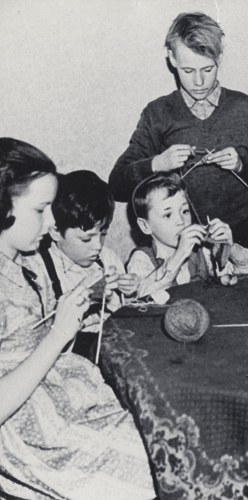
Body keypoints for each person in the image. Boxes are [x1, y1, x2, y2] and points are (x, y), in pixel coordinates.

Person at [0, 138, 155, 499]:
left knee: (160, 437)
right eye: (41, 210)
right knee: (153, 471)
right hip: (31, 434)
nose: (52, 221)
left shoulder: (21, 263)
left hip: (59, 399)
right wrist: (58, 335)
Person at [109, 12, 248, 227]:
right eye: (188, 70)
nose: (199, 81)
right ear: (172, 59)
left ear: (220, 58)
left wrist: (241, 165)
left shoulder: (246, 108)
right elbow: (116, 185)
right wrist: (158, 163)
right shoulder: (157, 113)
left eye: (208, 69)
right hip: (186, 240)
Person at [41, 170, 139, 360]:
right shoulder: (43, 271)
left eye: (103, 234)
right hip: (73, 355)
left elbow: (126, 316)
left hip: (115, 346)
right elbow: (46, 334)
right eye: (86, 239)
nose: (98, 246)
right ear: (55, 232)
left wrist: (130, 293)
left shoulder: (107, 258)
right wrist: (87, 297)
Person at [127, 172, 233, 299]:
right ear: (145, 226)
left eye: (185, 211)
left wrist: (225, 250)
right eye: (168, 215)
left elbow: (230, 282)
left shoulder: (202, 250)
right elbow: (142, 299)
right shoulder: (140, 259)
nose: (181, 221)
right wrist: (179, 255)